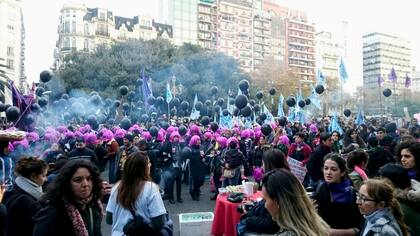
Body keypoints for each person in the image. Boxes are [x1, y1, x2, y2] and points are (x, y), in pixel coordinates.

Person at [33, 159, 104, 236]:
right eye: (78, 180)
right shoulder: (53, 212)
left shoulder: (94, 205)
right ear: (67, 184)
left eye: (89, 179)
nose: (85, 184)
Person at [106, 151, 168, 236]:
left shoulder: (116, 187)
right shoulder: (150, 188)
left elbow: (109, 219)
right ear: (143, 168)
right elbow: (158, 222)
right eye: (148, 163)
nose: (150, 165)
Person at [237, 148, 290, 236]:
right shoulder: (286, 178)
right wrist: (254, 206)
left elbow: (270, 224)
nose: (262, 167)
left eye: (263, 163)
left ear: (270, 165)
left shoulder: (275, 184)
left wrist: (249, 218)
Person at [261, 169, 330, 235]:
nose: (265, 205)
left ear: (278, 202)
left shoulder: (289, 233)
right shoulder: (315, 224)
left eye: (265, 200)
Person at [313, 153, 363, 235]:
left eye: (333, 169)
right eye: (326, 168)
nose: (328, 172)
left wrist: (336, 233)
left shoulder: (351, 194)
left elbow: (359, 228)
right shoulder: (318, 188)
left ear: (342, 172)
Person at [2, 157, 48, 236]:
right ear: (33, 176)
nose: (46, 179)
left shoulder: (12, 189)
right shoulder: (28, 203)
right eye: (43, 176)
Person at [378, 164, 420, 236]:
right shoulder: (410, 194)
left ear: (389, 184)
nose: (378, 182)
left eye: (381, 179)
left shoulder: (397, 205)